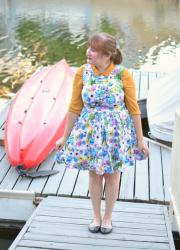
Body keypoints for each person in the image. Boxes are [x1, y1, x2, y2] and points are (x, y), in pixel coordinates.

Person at [55, 32, 149, 234]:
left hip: (115, 134)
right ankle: (96, 216)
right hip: (90, 133)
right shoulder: (83, 72)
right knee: (94, 174)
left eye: (94, 50)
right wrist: (65, 137)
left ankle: (108, 217)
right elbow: (74, 107)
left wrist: (140, 141)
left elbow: (134, 109)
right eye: (89, 47)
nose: (88, 52)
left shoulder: (122, 74)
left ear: (108, 55)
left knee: (112, 175)